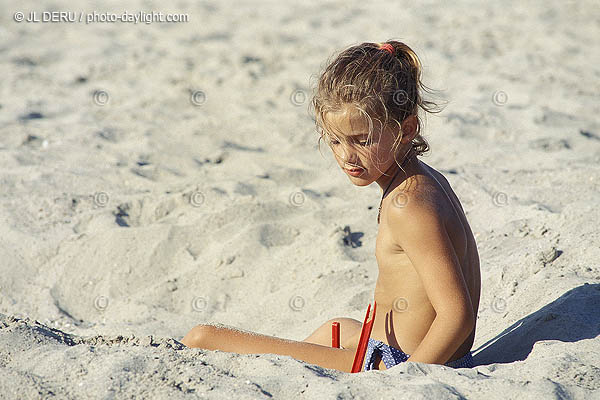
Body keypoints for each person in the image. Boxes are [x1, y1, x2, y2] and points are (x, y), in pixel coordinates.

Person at [181, 40, 481, 373]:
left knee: (201, 337)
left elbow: (458, 315)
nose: (346, 156)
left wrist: (403, 381)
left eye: (362, 140)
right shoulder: (424, 180)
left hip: (400, 364)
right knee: (334, 328)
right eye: (335, 140)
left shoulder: (407, 205)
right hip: (403, 350)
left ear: (406, 129)